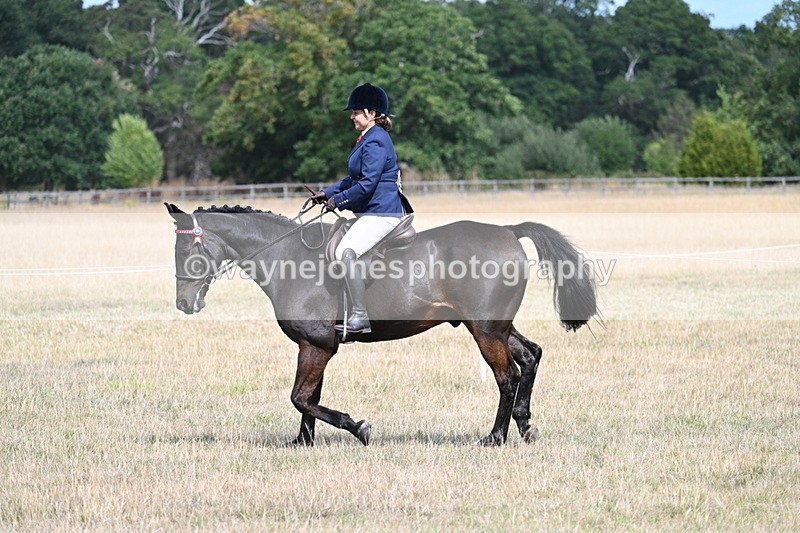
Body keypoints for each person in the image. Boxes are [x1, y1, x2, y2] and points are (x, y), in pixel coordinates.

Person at [310, 83, 412, 335]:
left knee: (346, 250)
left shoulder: (376, 140)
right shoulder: (368, 138)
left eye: (355, 112)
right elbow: (354, 178)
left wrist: (340, 201)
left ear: (370, 113)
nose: (352, 117)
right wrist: (328, 192)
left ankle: (360, 316)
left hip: (382, 213)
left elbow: (367, 185)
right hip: (372, 211)